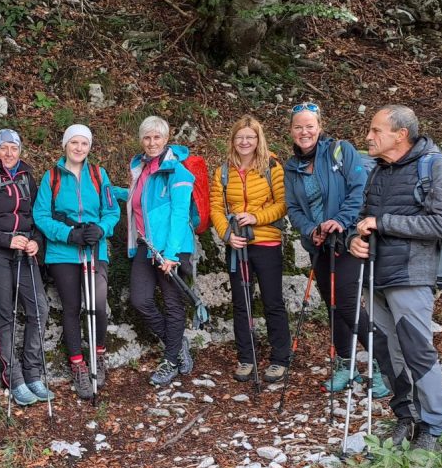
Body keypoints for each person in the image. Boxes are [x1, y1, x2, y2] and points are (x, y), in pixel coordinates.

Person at [348, 105, 442, 452]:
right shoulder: (379, 171)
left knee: (416, 350)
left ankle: (433, 427)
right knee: (387, 350)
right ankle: (406, 417)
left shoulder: (436, 167)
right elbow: (365, 218)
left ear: (400, 135)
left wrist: (384, 223)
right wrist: (356, 239)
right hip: (377, 274)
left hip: (412, 274)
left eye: (376, 130)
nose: (369, 136)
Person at [283, 102, 389, 397]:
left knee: (346, 302)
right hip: (319, 244)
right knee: (332, 305)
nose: (304, 132)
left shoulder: (340, 151)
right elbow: (293, 208)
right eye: (298, 127)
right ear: (291, 130)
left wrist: (339, 222)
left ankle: (385, 364)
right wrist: (311, 229)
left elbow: (360, 189)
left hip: (349, 239)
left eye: (309, 126)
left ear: (319, 126)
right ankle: (346, 364)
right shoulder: (291, 167)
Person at [33, 124, 121, 399]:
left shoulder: (98, 174)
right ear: (65, 145)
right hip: (63, 253)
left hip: (95, 249)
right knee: (71, 308)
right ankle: (78, 365)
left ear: (89, 147)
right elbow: (41, 216)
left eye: (84, 144)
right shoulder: (51, 177)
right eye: (74, 143)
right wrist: (68, 234)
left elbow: (112, 210)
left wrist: (102, 229)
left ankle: (99, 355)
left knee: (97, 304)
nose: (79, 148)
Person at [0, 128, 53, 405]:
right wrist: (7, 240)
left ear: (20, 151)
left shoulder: (28, 178)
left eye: (13, 148)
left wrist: (36, 242)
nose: (9, 153)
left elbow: (37, 217)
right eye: (3, 148)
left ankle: (33, 373)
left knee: (39, 308)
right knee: (4, 313)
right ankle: (13, 377)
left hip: (25, 251)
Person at [210, 115, 292, 383]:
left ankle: (280, 358)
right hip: (237, 244)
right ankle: (246, 357)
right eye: (240, 137)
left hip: (266, 242)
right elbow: (216, 208)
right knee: (241, 303)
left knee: (272, 301)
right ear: (232, 140)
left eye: (250, 137)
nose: (245, 142)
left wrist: (257, 218)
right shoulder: (223, 171)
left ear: (259, 139)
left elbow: (283, 204)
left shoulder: (272, 167)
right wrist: (226, 234)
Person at [126, 115, 196, 386]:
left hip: (172, 249)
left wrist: (172, 255)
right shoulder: (141, 168)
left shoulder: (178, 172)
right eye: (147, 137)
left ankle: (169, 361)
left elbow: (179, 215)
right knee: (140, 300)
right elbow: (139, 200)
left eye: (157, 137)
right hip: (147, 247)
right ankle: (177, 345)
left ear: (167, 139)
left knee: (172, 304)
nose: (152, 142)